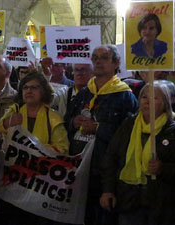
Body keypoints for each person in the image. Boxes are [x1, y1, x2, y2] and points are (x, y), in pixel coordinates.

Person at [64, 45, 138, 225]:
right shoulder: (83, 93)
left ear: (116, 63)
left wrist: (98, 128)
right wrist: (73, 122)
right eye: (95, 57)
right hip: (78, 167)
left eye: (104, 57)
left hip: (104, 170)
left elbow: (129, 136)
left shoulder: (125, 96)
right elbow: (65, 122)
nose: (98, 61)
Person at [0, 72, 69, 225]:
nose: (29, 91)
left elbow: (63, 150)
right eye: (25, 87)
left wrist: (33, 149)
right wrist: (6, 123)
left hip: (41, 185)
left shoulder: (53, 117)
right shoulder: (13, 111)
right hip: (13, 183)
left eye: (34, 87)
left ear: (43, 91)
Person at [100, 81, 175, 225]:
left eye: (154, 98)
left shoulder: (171, 129)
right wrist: (107, 190)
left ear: (165, 102)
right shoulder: (129, 124)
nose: (147, 102)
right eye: (144, 97)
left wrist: (163, 169)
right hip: (129, 201)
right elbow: (111, 157)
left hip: (163, 205)